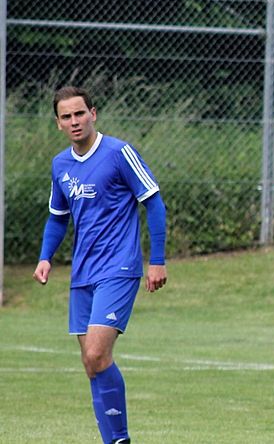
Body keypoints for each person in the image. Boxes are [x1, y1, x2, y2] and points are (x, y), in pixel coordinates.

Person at [33, 86, 168, 444]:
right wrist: (45, 256)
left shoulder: (118, 153)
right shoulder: (60, 165)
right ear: (58, 123)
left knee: (96, 352)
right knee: (91, 363)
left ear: (93, 114)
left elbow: (153, 202)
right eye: (66, 116)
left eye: (80, 113)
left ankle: (120, 438)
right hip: (83, 273)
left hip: (119, 268)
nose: (74, 121)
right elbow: (57, 217)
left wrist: (157, 260)